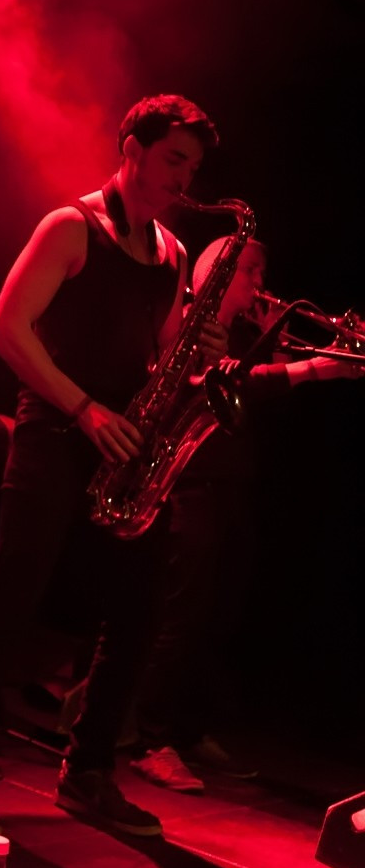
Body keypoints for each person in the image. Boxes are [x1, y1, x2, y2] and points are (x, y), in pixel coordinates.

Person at [0, 94, 225, 839]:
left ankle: (88, 770)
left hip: (125, 441)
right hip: (56, 428)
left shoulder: (174, 253)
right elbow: (7, 330)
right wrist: (84, 409)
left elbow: (162, 355)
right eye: (173, 160)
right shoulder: (70, 227)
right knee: (12, 598)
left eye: (193, 167)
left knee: (138, 611)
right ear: (131, 148)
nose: (183, 179)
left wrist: (196, 350)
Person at [129, 236, 364, 792]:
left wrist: (284, 344)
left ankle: (187, 730)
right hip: (191, 478)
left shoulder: (245, 331)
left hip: (234, 479)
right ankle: (150, 739)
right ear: (216, 270)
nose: (261, 282)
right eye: (250, 270)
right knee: (184, 613)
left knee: (221, 610)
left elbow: (265, 386)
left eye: (262, 270)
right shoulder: (189, 324)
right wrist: (319, 369)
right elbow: (227, 383)